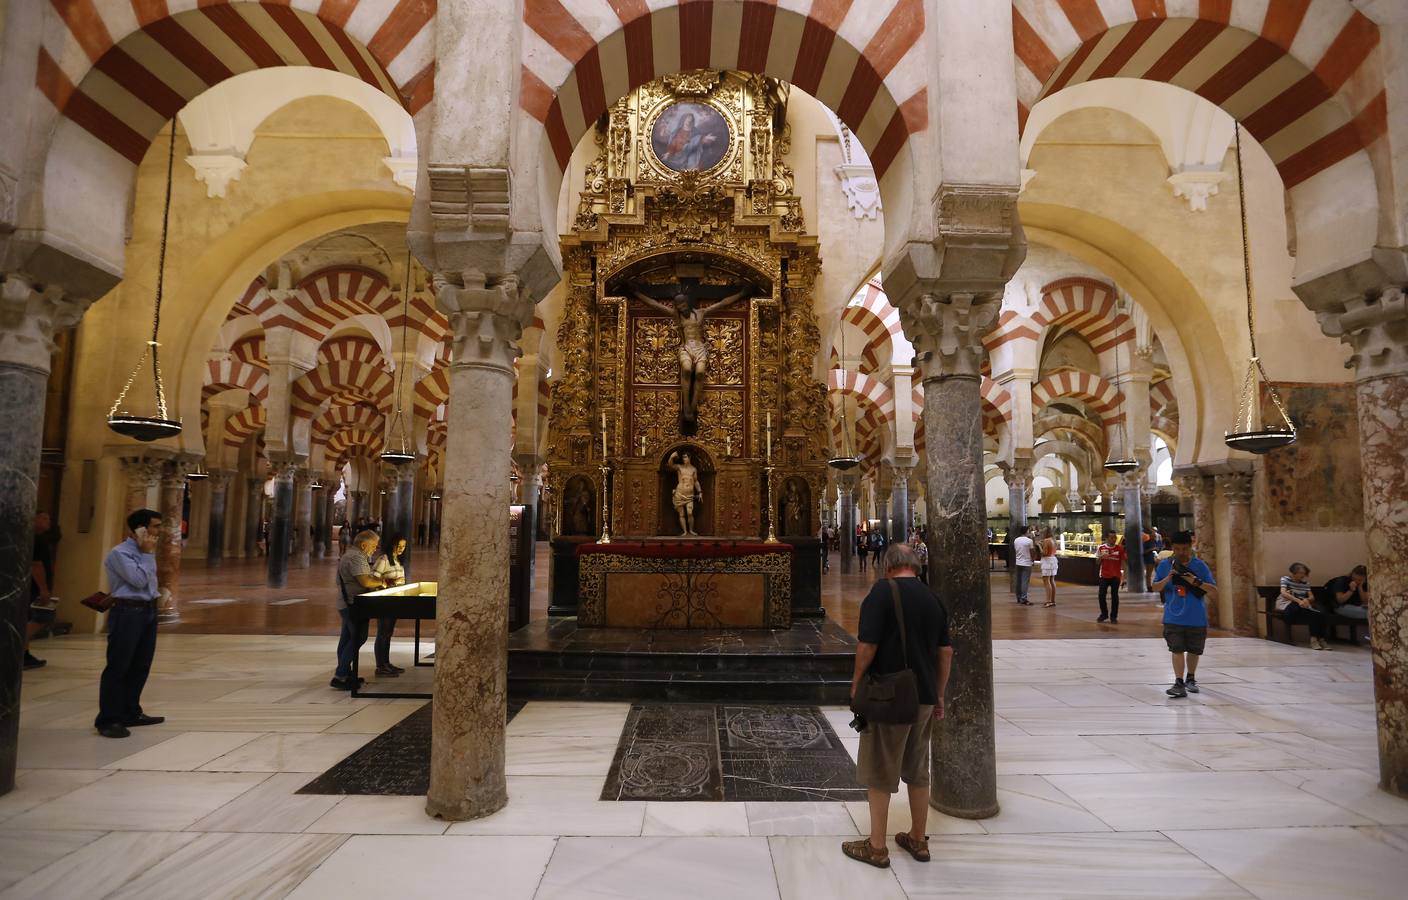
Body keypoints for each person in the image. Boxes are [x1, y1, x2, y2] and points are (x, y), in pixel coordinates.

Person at [842, 543, 952, 869]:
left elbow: (867, 645)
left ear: (888, 565)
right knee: (918, 770)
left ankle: (876, 847)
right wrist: (940, 693)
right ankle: (918, 838)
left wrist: (855, 682)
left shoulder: (882, 592)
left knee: (880, 770)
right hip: (924, 697)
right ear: (915, 566)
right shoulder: (933, 597)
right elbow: (946, 652)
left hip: (890, 697)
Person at [95, 509, 165, 738]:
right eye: (155, 526)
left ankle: (130, 712)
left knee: (140, 664)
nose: (159, 531)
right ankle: (108, 719)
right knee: (119, 666)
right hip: (127, 613)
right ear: (140, 529)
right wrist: (146, 554)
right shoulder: (120, 553)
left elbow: (150, 585)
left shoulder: (147, 552)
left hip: (147, 613)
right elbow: (137, 581)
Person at [1153, 531, 1218, 698]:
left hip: (1196, 616)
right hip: (1173, 616)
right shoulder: (1164, 565)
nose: (1181, 552)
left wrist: (1195, 581)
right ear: (1172, 548)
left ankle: (1191, 677)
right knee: (1177, 648)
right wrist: (1168, 578)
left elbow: (1213, 590)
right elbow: (1155, 587)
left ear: (1190, 547)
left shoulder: (1200, 566)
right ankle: (1178, 682)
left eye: (1184, 549)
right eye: (1177, 549)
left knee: (1195, 650)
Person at [333, 530, 389, 690]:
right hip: (353, 604)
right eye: (373, 545)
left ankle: (345, 674)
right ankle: (341, 675)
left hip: (346, 603)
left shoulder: (351, 555)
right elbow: (365, 581)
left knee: (346, 639)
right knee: (358, 638)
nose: (375, 548)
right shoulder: (356, 557)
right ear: (364, 544)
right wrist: (381, 582)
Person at [26, 511, 61, 669]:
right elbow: (36, 565)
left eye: (49, 518)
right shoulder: (35, 539)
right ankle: (14, 649)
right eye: (44, 518)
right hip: (32, 587)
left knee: (30, 619)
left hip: (30, 587)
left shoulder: (37, 539)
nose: (48, 521)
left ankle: (24, 654)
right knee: (42, 617)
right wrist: (43, 589)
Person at [371, 534, 408, 677]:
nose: (401, 549)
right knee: (382, 634)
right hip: (384, 601)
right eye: (398, 546)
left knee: (388, 633)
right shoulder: (384, 559)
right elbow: (374, 578)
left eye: (403, 546)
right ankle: (380, 666)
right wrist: (388, 583)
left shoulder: (398, 561)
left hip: (394, 601)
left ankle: (386, 663)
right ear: (392, 545)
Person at [1278, 562, 1330, 650]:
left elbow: (1311, 596)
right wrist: (1299, 601)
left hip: (1303, 605)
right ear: (1294, 572)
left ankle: (1318, 639)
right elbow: (1283, 593)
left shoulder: (1305, 583)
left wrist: (1307, 600)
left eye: (1304, 573)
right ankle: (1316, 640)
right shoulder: (1285, 579)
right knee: (1309, 611)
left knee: (1319, 614)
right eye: (1300, 573)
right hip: (1290, 604)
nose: (1303, 575)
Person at [1095, 530, 1126, 623]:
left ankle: (1114, 617)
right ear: (1107, 538)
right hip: (1104, 575)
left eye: (1115, 537)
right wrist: (1101, 557)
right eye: (1111, 537)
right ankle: (1104, 614)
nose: (1113, 539)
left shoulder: (1119, 549)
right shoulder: (1101, 548)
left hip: (1115, 576)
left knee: (1115, 596)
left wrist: (1124, 577)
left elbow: (1124, 563)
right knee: (1101, 595)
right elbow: (1097, 562)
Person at [1012, 525, 1035, 605]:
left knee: (1018, 581)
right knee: (1025, 581)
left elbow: (1016, 550)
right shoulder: (1029, 541)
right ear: (1027, 531)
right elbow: (1032, 552)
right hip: (1027, 563)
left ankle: (1018, 597)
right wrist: (1033, 560)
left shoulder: (1016, 540)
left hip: (1018, 562)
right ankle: (1024, 598)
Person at [1038, 526, 1059, 608]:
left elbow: (1044, 553)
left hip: (1047, 561)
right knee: (1052, 580)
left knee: (1046, 581)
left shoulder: (1046, 540)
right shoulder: (1053, 540)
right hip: (1053, 559)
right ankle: (1053, 600)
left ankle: (1048, 601)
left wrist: (1039, 546)